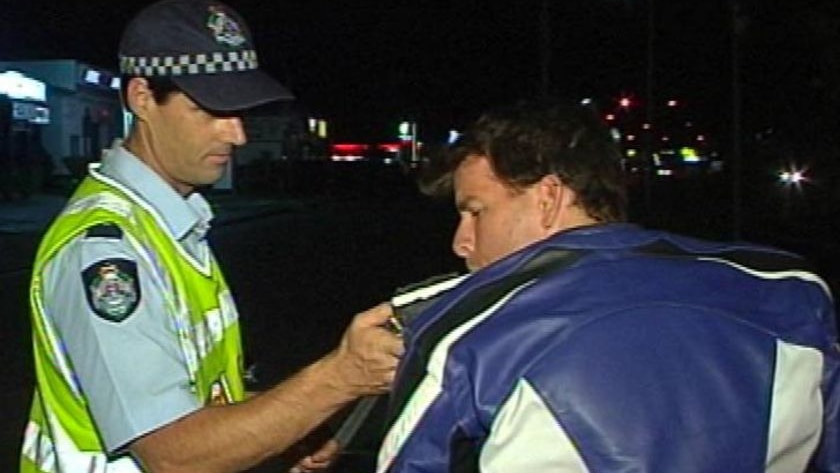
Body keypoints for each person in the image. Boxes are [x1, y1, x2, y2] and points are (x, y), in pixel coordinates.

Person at [19, 1, 402, 472]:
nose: (237, 135)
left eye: (240, 112)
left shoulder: (171, 224)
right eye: (211, 110)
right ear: (141, 98)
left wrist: (286, 423)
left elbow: (190, 394)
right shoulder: (107, 251)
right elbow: (173, 454)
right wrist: (339, 379)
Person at [374, 99, 840, 472]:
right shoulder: (791, 292)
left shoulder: (465, 327)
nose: (461, 242)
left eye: (475, 211)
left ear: (548, 197)